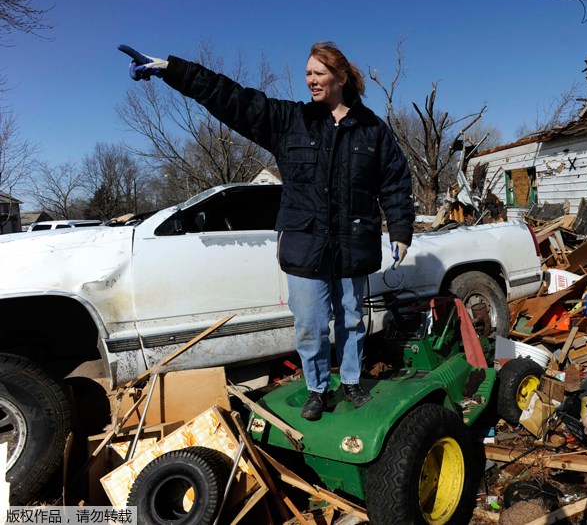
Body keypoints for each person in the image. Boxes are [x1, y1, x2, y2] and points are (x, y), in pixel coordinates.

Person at [119, 42, 415, 421]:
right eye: (308, 73)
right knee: (310, 325)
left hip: (353, 242)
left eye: (319, 73)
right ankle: (317, 389)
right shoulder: (290, 120)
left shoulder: (372, 130)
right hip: (305, 243)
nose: (310, 80)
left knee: (352, 319)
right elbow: (231, 98)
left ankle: (352, 381)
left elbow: (394, 181)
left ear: (340, 77)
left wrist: (401, 229)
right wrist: (171, 70)